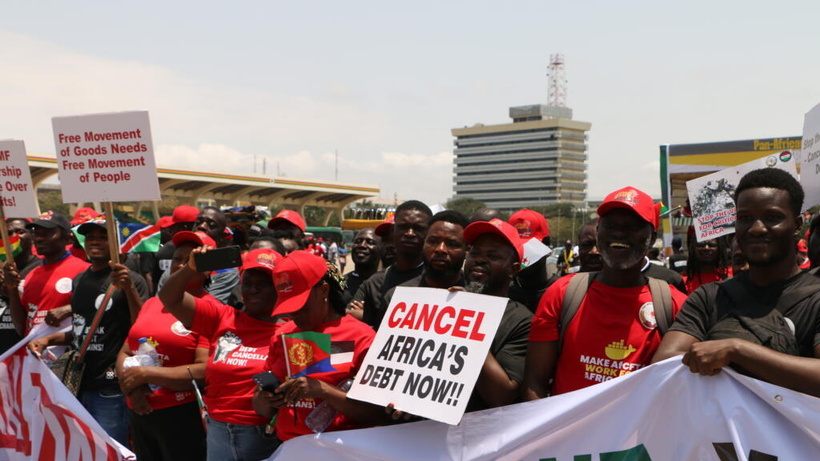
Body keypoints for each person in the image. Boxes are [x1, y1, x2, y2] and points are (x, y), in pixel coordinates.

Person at [652, 168, 820, 397]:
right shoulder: (709, 297)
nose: (757, 228)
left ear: (797, 225)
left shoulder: (815, 297)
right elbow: (664, 364)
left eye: (772, 217)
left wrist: (738, 350)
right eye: (745, 218)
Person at [522, 186, 688, 398]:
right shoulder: (562, 293)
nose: (619, 233)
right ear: (599, 230)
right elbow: (534, 382)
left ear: (651, 236)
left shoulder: (674, 304)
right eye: (610, 225)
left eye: (632, 226)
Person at [28, 218, 149, 446]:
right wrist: (48, 339)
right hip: (79, 383)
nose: (95, 242)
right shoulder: (80, 280)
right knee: (83, 448)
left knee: (110, 449)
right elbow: (82, 329)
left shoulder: (133, 280)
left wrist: (129, 289)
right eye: (90, 238)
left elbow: (142, 328)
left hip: (111, 386)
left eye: (103, 238)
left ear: (116, 243)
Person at [160, 246, 282, 461]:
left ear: (280, 287)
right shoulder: (222, 316)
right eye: (248, 283)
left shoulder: (290, 332)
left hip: (263, 437)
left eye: (263, 284)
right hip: (217, 431)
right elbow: (169, 298)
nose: (253, 290)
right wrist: (191, 268)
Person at [252, 251, 384, 443]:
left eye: (300, 306)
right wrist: (266, 399)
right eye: (288, 306)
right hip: (289, 448)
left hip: (343, 451)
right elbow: (260, 409)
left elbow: (378, 414)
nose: (293, 314)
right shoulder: (282, 334)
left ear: (323, 290)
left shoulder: (362, 338)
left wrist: (324, 390)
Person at [115, 231, 215, 461]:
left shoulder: (211, 310)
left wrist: (146, 374)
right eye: (178, 259)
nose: (181, 265)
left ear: (208, 269)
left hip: (180, 417)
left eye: (190, 260)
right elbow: (127, 350)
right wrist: (133, 387)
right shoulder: (152, 303)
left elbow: (205, 371)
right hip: (140, 411)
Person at [461, 219, 532, 410]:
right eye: (475, 253)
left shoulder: (522, 321)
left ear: (514, 269)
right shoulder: (444, 304)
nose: (480, 259)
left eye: (492, 256)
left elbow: (500, 395)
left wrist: (464, 322)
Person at [4, 211, 90, 336]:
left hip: (65, 353)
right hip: (33, 352)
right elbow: (22, 327)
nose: (39, 238)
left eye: (47, 234)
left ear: (67, 238)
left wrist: (69, 309)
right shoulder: (31, 275)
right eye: (36, 233)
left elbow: (96, 309)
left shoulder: (84, 271)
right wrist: (12, 291)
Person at [351, 201, 432, 329]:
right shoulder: (374, 284)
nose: (410, 233)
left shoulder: (439, 279)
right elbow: (357, 325)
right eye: (403, 227)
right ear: (394, 231)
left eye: (418, 228)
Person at [0, 218, 41, 353]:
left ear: (32, 236)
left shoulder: (40, 270)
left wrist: (12, 291)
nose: (13, 237)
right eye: (8, 233)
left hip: (27, 349)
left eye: (20, 232)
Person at [342, 228, 380, 306]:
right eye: (357, 242)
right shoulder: (339, 284)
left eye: (371, 242)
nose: (362, 245)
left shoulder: (386, 283)